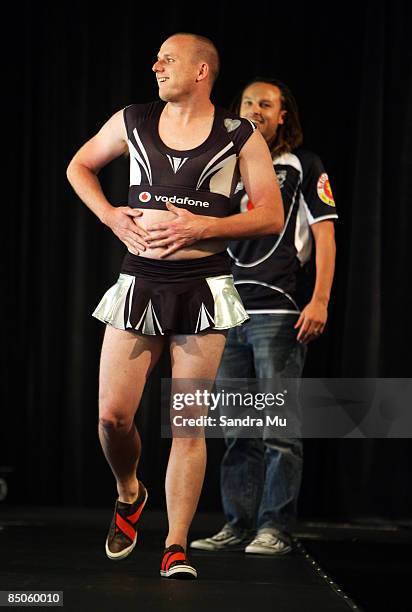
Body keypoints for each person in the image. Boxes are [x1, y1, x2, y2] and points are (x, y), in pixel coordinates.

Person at [66, 38, 284, 579]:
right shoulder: (133, 119)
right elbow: (79, 166)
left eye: (168, 58)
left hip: (203, 284)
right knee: (113, 416)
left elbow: (270, 216)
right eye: (156, 58)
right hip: (141, 280)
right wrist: (112, 218)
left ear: (202, 70)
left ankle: (176, 546)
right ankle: (129, 490)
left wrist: (203, 226)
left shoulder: (239, 134)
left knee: (188, 424)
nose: (156, 64)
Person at [190, 78, 337, 555]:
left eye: (266, 104)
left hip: (277, 309)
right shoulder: (226, 165)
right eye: (248, 101)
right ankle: (237, 523)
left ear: (282, 116)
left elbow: (326, 236)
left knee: (279, 429)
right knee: (236, 429)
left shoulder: (303, 165)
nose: (255, 109)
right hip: (227, 311)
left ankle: (275, 527)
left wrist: (320, 300)